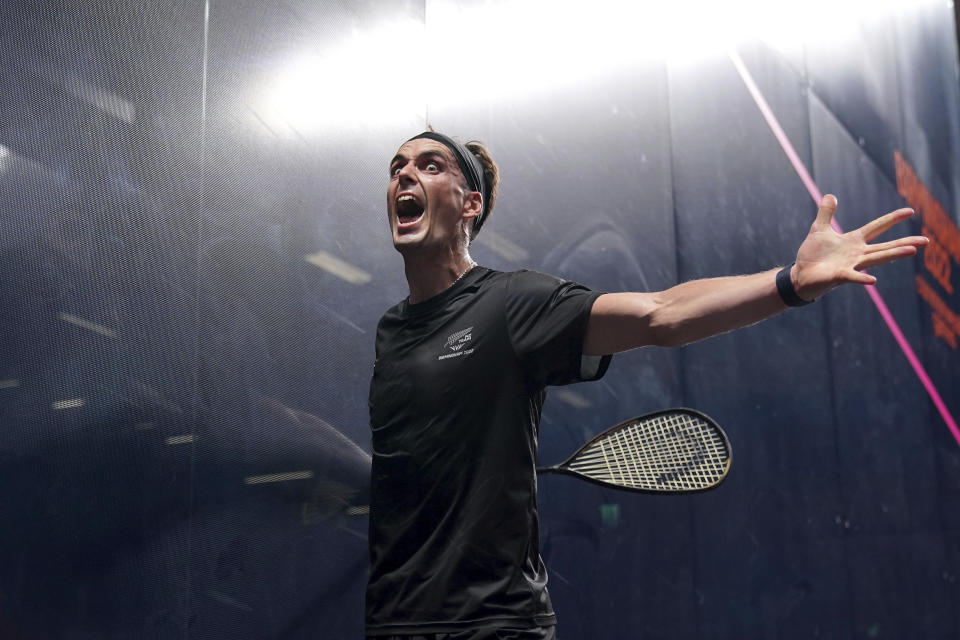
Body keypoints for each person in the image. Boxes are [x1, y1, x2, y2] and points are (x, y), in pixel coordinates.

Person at [364, 131, 928, 640]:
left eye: (430, 165)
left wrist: (790, 282)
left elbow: (660, 313)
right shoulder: (391, 332)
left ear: (471, 204)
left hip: (491, 625)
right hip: (392, 622)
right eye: (396, 166)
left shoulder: (510, 303)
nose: (404, 175)